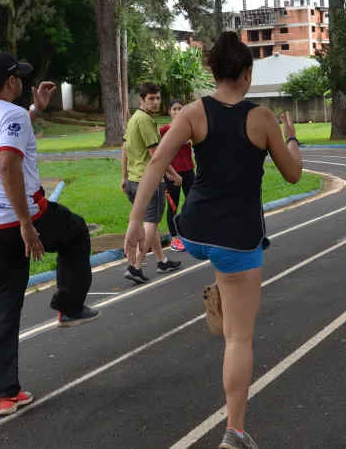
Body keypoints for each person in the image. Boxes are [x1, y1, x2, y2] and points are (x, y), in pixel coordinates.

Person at [123, 31, 302, 449]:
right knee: (239, 337)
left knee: (225, 281)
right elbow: (292, 173)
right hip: (237, 240)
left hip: (194, 230)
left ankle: (220, 290)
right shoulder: (262, 118)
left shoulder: (191, 113)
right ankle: (235, 432)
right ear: (246, 73)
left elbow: (155, 163)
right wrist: (291, 136)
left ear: (211, 71)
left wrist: (135, 219)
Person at [0, 52, 100, 416]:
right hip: (19, 218)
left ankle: (5, 395)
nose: (23, 83)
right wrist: (26, 224)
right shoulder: (13, 114)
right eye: (19, 78)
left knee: (2, 305)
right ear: (10, 82)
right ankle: (69, 307)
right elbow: (7, 164)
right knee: (75, 231)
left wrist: (36, 109)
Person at [121, 82, 183, 283]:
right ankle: (135, 267)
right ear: (141, 100)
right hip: (148, 182)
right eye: (151, 99)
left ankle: (162, 260)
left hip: (133, 181)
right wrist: (174, 174)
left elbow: (124, 149)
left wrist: (124, 177)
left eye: (158, 98)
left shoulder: (134, 119)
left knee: (151, 223)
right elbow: (156, 155)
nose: (156, 102)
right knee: (150, 225)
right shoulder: (146, 121)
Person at [160, 98, 196, 252]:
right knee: (172, 206)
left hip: (189, 171)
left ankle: (190, 234)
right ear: (169, 111)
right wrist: (166, 172)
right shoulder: (163, 131)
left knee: (193, 202)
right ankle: (174, 238)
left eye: (180, 108)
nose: (177, 111)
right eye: (174, 109)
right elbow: (159, 154)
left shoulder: (189, 128)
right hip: (172, 174)